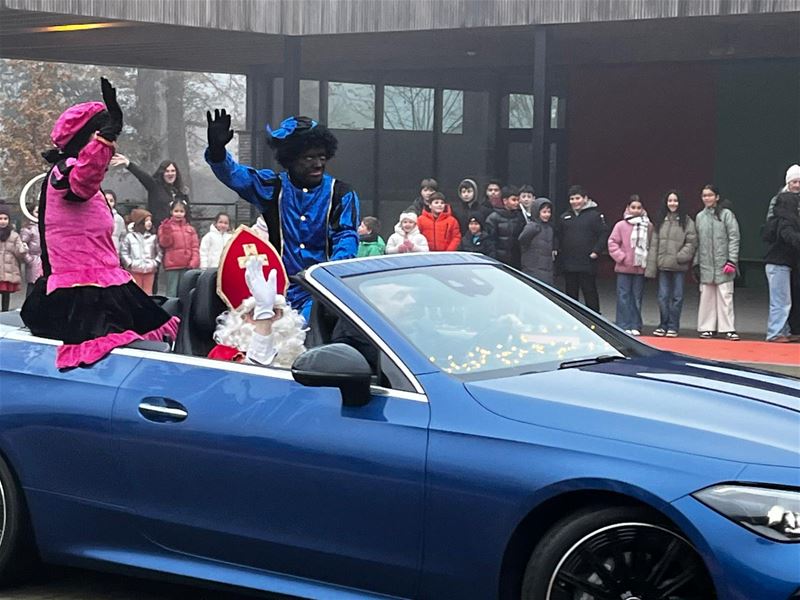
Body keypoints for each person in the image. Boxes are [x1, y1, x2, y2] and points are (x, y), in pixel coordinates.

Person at [20, 78, 179, 368]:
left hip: (104, 283)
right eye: (102, 136)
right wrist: (105, 138)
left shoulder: (80, 174)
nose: (111, 145)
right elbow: (82, 182)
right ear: (87, 139)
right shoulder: (66, 170)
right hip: (79, 295)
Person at [205, 111, 359, 321]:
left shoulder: (341, 193)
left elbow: (346, 239)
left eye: (322, 157)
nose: (318, 164)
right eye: (309, 157)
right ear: (291, 159)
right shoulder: (272, 187)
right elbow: (235, 175)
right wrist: (217, 152)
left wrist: (327, 282)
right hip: (275, 292)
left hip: (322, 296)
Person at [210, 258, 307, 367]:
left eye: (274, 312)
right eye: (255, 313)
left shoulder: (297, 350)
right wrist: (263, 317)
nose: (270, 322)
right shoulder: (223, 355)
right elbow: (253, 378)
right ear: (242, 318)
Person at [645, 190, 697, 337]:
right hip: (663, 266)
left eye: (675, 201)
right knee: (662, 296)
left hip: (679, 266)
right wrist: (651, 267)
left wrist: (680, 257)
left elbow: (691, 242)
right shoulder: (660, 220)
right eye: (670, 201)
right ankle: (663, 324)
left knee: (677, 296)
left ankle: (673, 326)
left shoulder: (687, 221)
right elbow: (654, 244)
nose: (672, 204)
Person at [693, 184, 740, 340]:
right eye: (704, 195)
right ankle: (707, 327)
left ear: (717, 197)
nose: (707, 198)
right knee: (706, 296)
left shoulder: (726, 214)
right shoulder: (700, 217)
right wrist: (696, 263)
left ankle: (728, 328)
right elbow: (697, 242)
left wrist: (731, 260)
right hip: (706, 263)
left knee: (725, 295)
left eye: (710, 195)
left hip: (723, 263)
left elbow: (734, 238)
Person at [555, 185, 608, 313]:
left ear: (585, 199)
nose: (575, 201)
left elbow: (604, 234)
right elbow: (558, 235)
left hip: (587, 262)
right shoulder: (564, 217)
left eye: (577, 198)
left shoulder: (595, 216)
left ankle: (595, 319)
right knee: (570, 293)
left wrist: (596, 251)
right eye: (572, 199)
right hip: (569, 262)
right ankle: (572, 317)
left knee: (589, 292)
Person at [607, 195, 652, 335]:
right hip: (624, 268)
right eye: (633, 207)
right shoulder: (620, 225)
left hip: (640, 268)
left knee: (637, 297)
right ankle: (622, 324)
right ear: (627, 208)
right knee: (623, 296)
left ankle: (635, 324)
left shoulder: (648, 226)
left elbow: (651, 244)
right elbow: (612, 242)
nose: (636, 210)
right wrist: (622, 257)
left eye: (639, 208)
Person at [110, 154, 190, 227]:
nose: (170, 174)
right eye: (167, 171)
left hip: (179, 233)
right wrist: (129, 164)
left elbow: (188, 215)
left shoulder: (181, 192)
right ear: (162, 173)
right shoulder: (155, 187)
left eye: (173, 171)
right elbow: (143, 176)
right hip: (159, 231)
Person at [762, 191, 800, 342]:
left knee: (782, 299)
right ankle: (775, 332)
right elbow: (789, 236)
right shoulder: (786, 222)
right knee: (781, 301)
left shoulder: (776, 219)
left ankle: (782, 331)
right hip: (779, 264)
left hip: (776, 264)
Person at [158, 199, 200, 296]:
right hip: (172, 266)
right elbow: (164, 244)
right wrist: (166, 231)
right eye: (176, 211)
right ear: (171, 212)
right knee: (171, 292)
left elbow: (195, 247)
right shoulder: (165, 227)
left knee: (185, 292)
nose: (179, 214)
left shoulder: (190, 229)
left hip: (187, 266)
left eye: (181, 211)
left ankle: (184, 311)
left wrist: (194, 262)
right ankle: (170, 310)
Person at [120, 208, 161, 295]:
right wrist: (130, 263)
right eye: (146, 220)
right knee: (136, 293)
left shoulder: (153, 237)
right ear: (140, 221)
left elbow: (159, 252)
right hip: (135, 269)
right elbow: (124, 252)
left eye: (150, 220)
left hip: (150, 269)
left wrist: (155, 263)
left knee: (148, 293)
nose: (149, 223)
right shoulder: (129, 237)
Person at [485, 186, 526, 268]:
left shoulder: (520, 217)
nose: (516, 203)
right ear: (505, 201)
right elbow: (490, 241)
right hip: (499, 260)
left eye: (518, 200)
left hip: (516, 260)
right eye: (514, 200)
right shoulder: (493, 218)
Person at [518, 197, 555, 285]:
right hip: (532, 266)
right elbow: (522, 240)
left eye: (549, 212)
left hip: (547, 267)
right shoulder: (532, 226)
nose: (547, 215)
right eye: (544, 212)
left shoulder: (550, 228)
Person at [0, 205, 28, 312]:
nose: (3, 221)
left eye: (5, 219)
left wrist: (23, 249)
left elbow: (19, 254)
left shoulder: (14, 235)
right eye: (0, 218)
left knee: (6, 295)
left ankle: (5, 313)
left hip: (9, 270)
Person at [19, 206, 42, 297]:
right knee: (32, 287)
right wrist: (30, 260)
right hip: (35, 260)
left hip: (45, 260)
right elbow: (22, 246)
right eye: (37, 212)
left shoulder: (47, 226)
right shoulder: (28, 229)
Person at [104, 189, 127, 255]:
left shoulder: (119, 219)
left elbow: (123, 236)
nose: (108, 203)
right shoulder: (96, 217)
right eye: (106, 200)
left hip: (115, 252)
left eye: (111, 201)